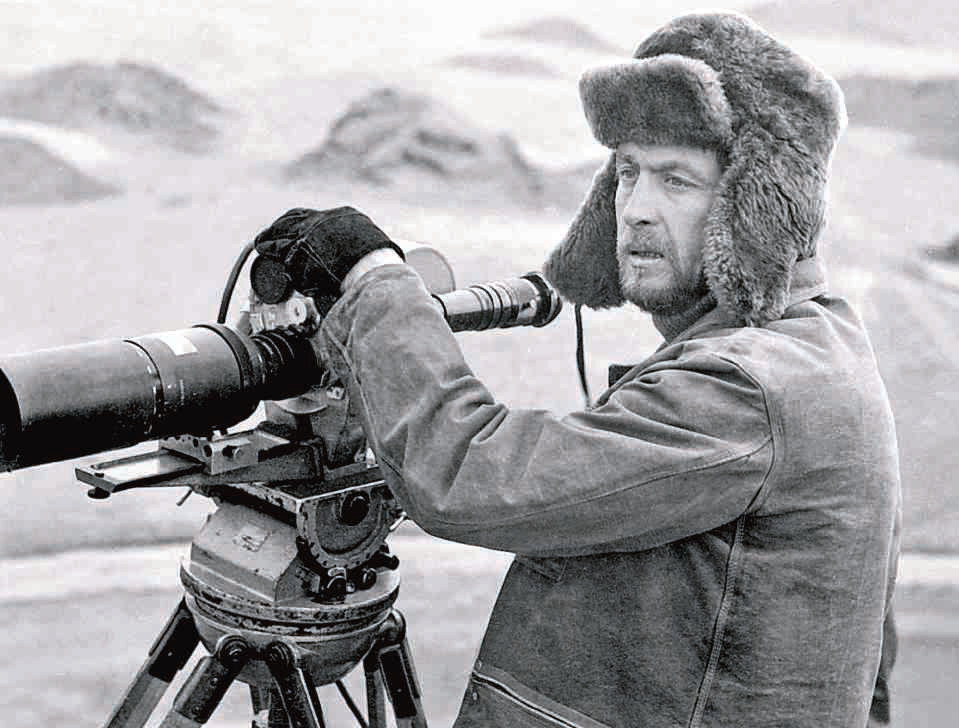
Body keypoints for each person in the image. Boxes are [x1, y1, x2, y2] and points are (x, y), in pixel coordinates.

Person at [252, 12, 901, 728]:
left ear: (757, 211)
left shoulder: (749, 386)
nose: (636, 210)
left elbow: (469, 475)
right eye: (627, 173)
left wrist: (374, 284)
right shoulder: (823, 342)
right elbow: (868, 657)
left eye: (677, 180)